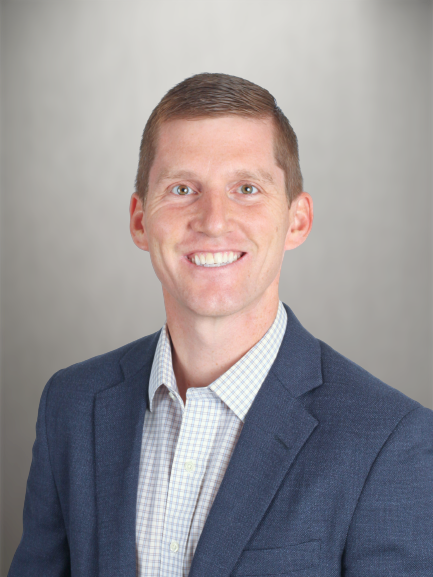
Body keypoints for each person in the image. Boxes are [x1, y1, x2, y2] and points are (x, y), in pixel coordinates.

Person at [8, 73, 433, 577]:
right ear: (140, 221)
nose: (213, 220)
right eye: (182, 188)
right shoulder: (71, 406)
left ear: (297, 220)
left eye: (247, 189)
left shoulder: (389, 441)